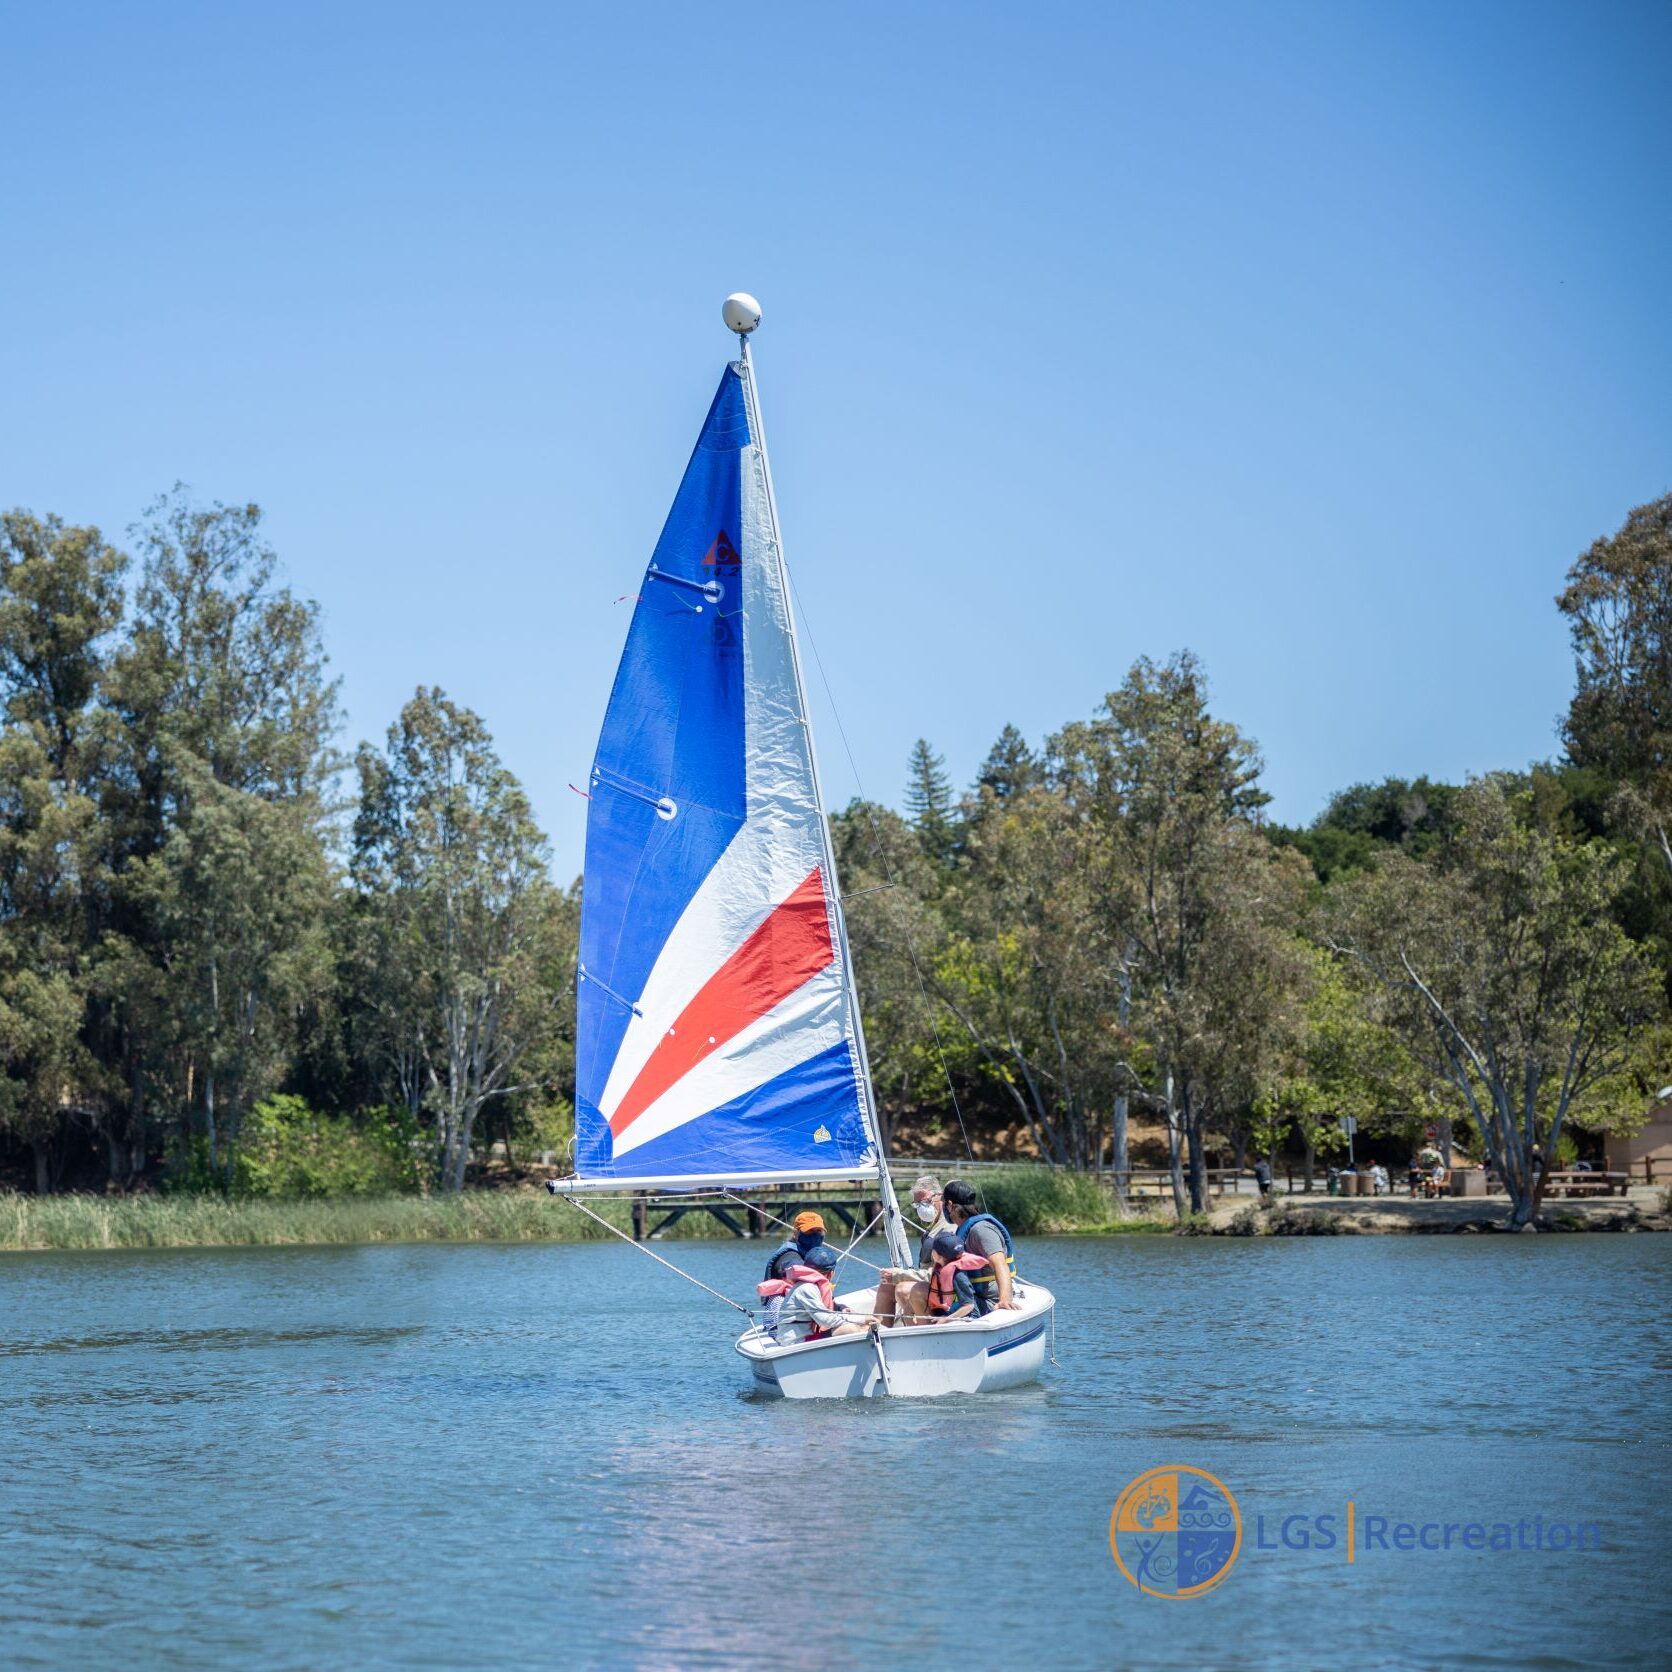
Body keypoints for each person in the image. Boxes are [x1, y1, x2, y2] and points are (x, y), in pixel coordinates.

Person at [872, 1175, 948, 1325]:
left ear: (940, 1196)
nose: (922, 1207)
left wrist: (899, 1275)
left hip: (943, 1286)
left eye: (925, 1201)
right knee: (886, 1285)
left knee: (902, 1289)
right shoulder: (933, 1226)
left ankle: (921, 1333)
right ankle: (877, 1333)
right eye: (917, 1204)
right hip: (929, 1281)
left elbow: (941, 1273)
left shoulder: (948, 1228)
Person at [941, 1179, 1019, 1310]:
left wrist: (1004, 1300)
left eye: (944, 1203)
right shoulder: (964, 1230)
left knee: (922, 1300)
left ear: (950, 1205)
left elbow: (999, 1263)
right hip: (970, 1296)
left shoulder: (981, 1230)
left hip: (987, 1301)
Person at [771, 1244, 869, 1342]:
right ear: (831, 1274)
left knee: (862, 1327)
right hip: (795, 1341)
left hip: (805, 1336)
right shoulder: (807, 1288)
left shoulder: (807, 1285)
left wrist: (842, 1308)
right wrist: (863, 1319)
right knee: (850, 1329)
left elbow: (827, 1309)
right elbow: (825, 1320)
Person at [921, 1232, 994, 1322]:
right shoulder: (943, 1268)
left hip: (970, 1316)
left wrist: (945, 1320)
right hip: (952, 1311)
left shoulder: (957, 1275)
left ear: (938, 1255)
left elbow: (969, 1306)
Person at [763, 1210, 825, 1285]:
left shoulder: (807, 1254)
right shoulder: (790, 1256)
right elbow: (794, 1268)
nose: (815, 1235)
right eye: (810, 1231)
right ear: (796, 1233)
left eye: (818, 1230)